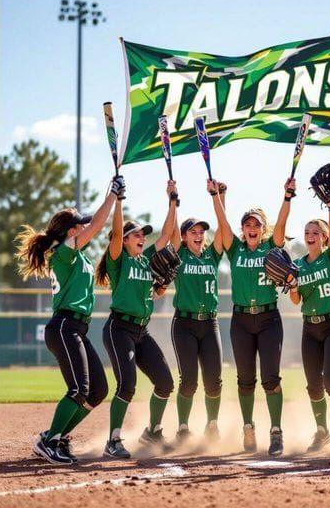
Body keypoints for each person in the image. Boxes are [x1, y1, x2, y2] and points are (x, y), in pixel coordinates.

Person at [14, 179, 122, 466]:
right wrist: (111, 194)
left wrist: (115, 202)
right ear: (70, 232)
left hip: (78, 329)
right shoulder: (63, 252)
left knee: (97, 391)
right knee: (78, 390)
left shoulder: (80, 257)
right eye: (79, 226)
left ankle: (56, 436)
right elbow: (97, 225)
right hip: (63, 326)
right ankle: (49, 442)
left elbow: (100, 232)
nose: (84, 228)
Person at [209, 178, 290, 456]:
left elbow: (280, 226)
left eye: (256, 224)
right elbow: (222, 225)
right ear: (243, 230)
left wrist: (287, 196)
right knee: (245, 380)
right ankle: (248, 427)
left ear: (262, 228)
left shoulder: (271, 246)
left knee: (270, 379)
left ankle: (277, 431)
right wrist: (216, 197)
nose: (252, 228)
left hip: (268, 320)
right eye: (248, 225)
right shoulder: (236, 249)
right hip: (241, 321)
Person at [95, 185, 175, 460]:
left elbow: (167, 235)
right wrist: (119, 201)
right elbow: (116, 233)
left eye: (142, 235)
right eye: (137, 234)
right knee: (126, 385)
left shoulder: (146, 260)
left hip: (142, 331)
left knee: (165, 383)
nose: (142, 238)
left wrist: (172, 201)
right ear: (126, 240)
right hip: (119, 329)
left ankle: (152, 432)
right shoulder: (120, 260)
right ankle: (113, 441)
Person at [287, 184, 330, 453]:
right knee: (314, 385)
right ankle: (322, 432)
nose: (310, 236)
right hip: (309, 328)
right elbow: (295, 300)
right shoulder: (299, 265)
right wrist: (292, 285)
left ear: (325, 238)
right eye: (307, 232)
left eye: (316, 232)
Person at [167, 180, 224, 446]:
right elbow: (171, 235)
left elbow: (224, 230)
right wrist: (173, 199)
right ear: (185, 236)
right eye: (193, 231)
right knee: (189, 380)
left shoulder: (212, 255)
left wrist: (218, 197)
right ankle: (182, 428)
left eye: (201, 231)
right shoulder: (180, 255)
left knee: (214, 380)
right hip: (185, 324)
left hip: (209, 324)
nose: (198, 234)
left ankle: (212, 425)